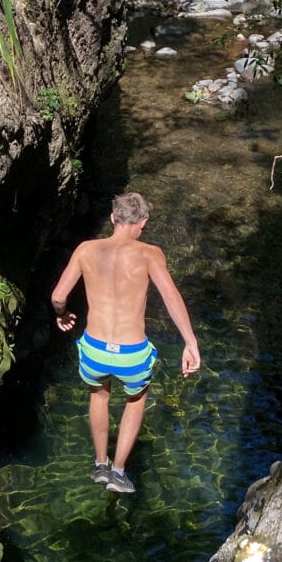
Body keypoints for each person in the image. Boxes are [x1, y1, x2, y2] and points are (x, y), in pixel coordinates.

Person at [51, 192, 200, 494]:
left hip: (94, 349)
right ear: (142, 223)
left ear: (112, 219)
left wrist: (63, 315)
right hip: (131, 354)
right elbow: (171, 298)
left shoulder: (86, 249)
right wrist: (190, 342)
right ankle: (118, 473)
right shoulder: (149, 253)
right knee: (136, 399)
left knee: (98, 395)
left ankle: (99, 464)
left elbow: (57, 296)